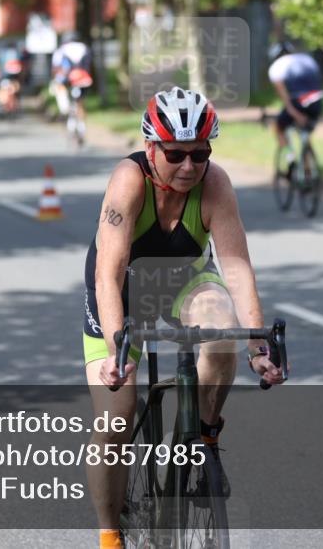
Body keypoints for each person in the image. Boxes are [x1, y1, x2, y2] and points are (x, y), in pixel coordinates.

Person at [83, 87, 286, 549]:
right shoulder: (127, 181)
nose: (189, 166)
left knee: (220, 329)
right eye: (175, 154)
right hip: (123, 289)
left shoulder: (215, 184)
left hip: (185, 281)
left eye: (200, 154)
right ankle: (110, 536)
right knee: (116, 420)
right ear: (151, 148)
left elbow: (235, 266)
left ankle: (203, 435)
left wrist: (257, 347)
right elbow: (108, 272)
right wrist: (118, 348)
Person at [267, 41, 323, 165]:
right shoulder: (307, 59)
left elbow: (284, 96)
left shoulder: (276, 66)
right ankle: (308, 168)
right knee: (305, 131)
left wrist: (294, 112)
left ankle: (290, 157)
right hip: (317, 100)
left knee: (279, 128)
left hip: (298, 101)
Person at [52, 31, 92, 146]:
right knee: (80, 103)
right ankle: (82, 128)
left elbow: (57, 67)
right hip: (83, 78)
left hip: (68, 80)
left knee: (66, 100)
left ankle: (69, 122)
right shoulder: (85, 48)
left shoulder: (61, 50)